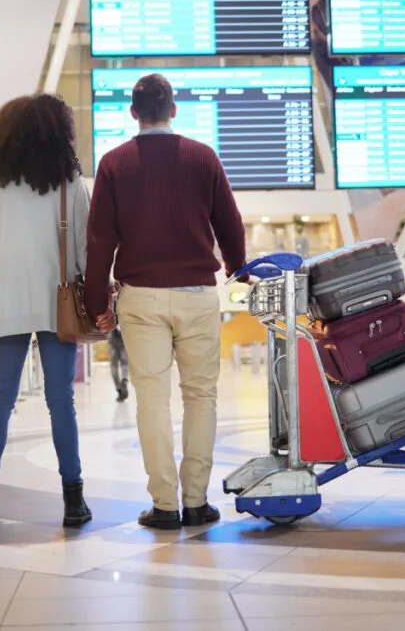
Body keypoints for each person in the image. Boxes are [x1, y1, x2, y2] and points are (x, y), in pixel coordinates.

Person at [85, 73, 247, 530]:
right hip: (198, 296)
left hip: (141, 300)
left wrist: (98, 300)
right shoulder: (202, 157)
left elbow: (99, 241)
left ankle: (163, 506)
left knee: (152, 401)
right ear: (173, 109)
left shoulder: (114, 164)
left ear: (133, 113)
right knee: (201, 397)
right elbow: (229, 225)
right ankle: (196, 502)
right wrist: (238, 270)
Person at [0, 93, 98, 529]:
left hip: (5, 303)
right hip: (56, 304)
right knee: (61, 401)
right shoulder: (70, 183)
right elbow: (83, 250)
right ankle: (73, 500)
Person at [108, 327, 129, 402]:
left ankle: (122, 385)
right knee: (117, 367)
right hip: (115, 338)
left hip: (122, 338)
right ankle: (121, 385)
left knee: (121, 364)